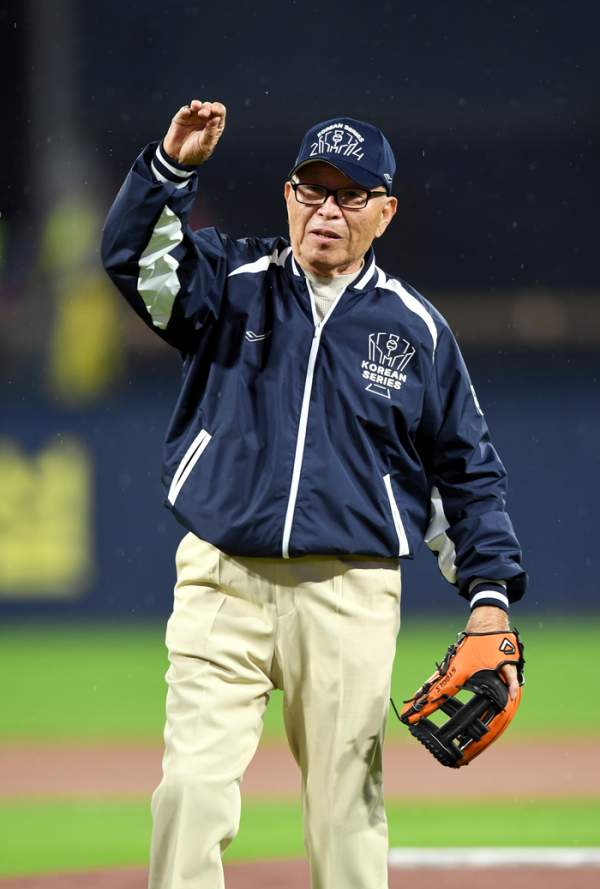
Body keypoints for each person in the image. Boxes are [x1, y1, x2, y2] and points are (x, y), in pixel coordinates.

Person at [101, 100, 526, 889]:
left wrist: (489, 597)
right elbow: (134, 260)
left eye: (350, 194)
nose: (327, 210)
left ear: (385, 212)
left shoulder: (417, 332)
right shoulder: (227, 285)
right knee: (189, 792)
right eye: (312, 190)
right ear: (288, 196)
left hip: (348, 595)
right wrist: (170, 168)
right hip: (222, 581)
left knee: (344, 817)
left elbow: (466, 474)